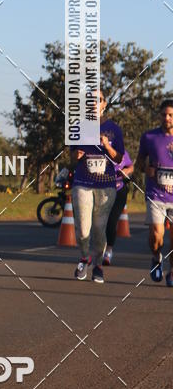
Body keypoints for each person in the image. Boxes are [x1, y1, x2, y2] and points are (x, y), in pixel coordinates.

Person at [70, 89, 124, 283]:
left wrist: (107, 146)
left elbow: (119, 158)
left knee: (100, 229)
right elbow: (71, 157)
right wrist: (76, 155)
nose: (93, 102)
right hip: (82, 182)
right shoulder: (77, 127)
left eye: (97, 99)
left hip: (106, 185)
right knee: (83, 229)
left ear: (104, 104)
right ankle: (85, 257)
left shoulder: (114, 129)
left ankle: (98, 265)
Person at [136, 99, 173, 285]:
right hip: (156, 194)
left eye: (170, 115)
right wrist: (146, 169)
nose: (167, 118)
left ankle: (172, 271)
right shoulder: (149, 137)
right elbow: (139, 162)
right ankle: (156, 257)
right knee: (157, 235)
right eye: (164, 114)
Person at [103, 149, 134, 265]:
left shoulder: (122, 151)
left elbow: (131, 166)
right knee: (99, 222)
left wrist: (127, 170)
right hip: (101, 192)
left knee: (112, 221)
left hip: (119, 191)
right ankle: (100, 247)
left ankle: (108, 251)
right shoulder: (97, 150)